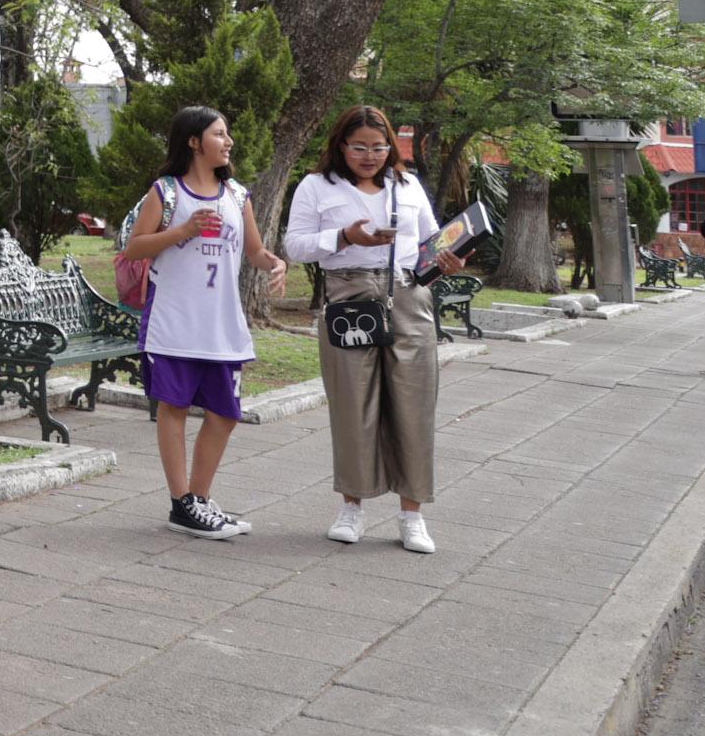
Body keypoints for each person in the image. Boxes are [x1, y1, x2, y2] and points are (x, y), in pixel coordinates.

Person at [286, 107, 464, 552]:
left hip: (407, 294)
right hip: (349, 297)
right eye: (360, 147)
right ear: (341, 146)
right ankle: (352, 507)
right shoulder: (316, 186)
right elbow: (295, 245)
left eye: (379, 147)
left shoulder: (406, 186)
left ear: (392, 148)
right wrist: (345, 237)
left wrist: (448, 260)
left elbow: (430, 242)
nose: (370, 156)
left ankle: (412, 515)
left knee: (413, 403)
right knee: (353, 403)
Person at [120, 106, 287, 538]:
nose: (228, 141)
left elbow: (254, 251)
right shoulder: (166, 192)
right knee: (173, 409)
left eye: (227, 134)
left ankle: (199, 499)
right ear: (194, 141)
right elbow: (134, 249)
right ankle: (181, 504)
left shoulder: (238, 196)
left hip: (222, 328)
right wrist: (183, 230)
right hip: (173, 324)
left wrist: (274, 263)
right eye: (219, 134)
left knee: (225, 414)